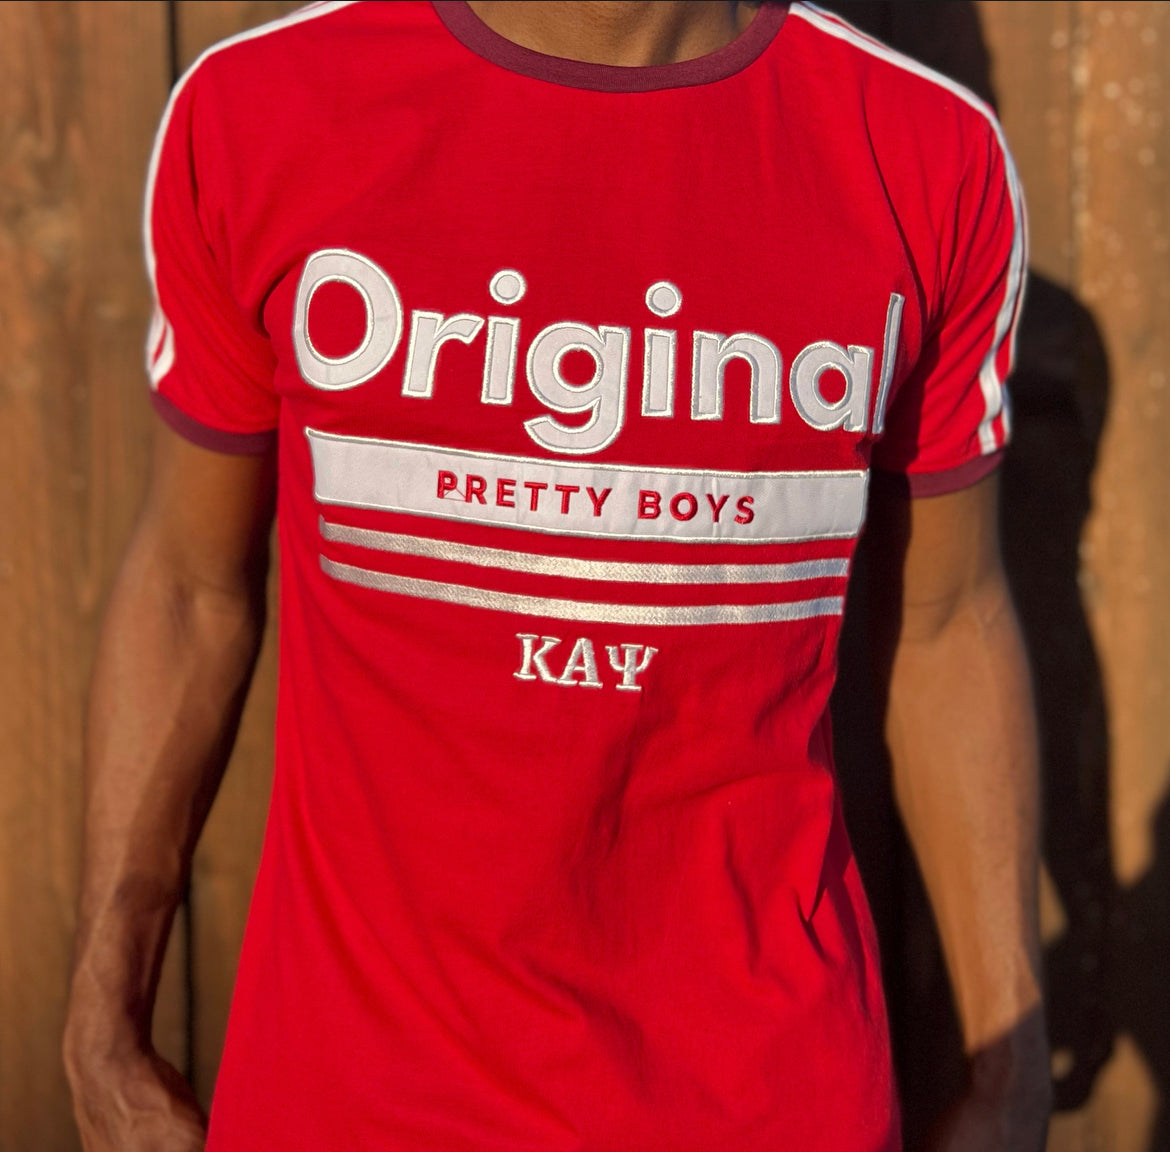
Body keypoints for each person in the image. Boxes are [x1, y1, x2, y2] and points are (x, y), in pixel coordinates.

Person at [62, 2, 1052, 1149]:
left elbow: (949, 620)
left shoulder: (925, 157)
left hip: (765, 1101)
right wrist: (102, 1021)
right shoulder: (263, 112)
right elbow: (191, 588)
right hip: (353, 1099)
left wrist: (1009, 1068)